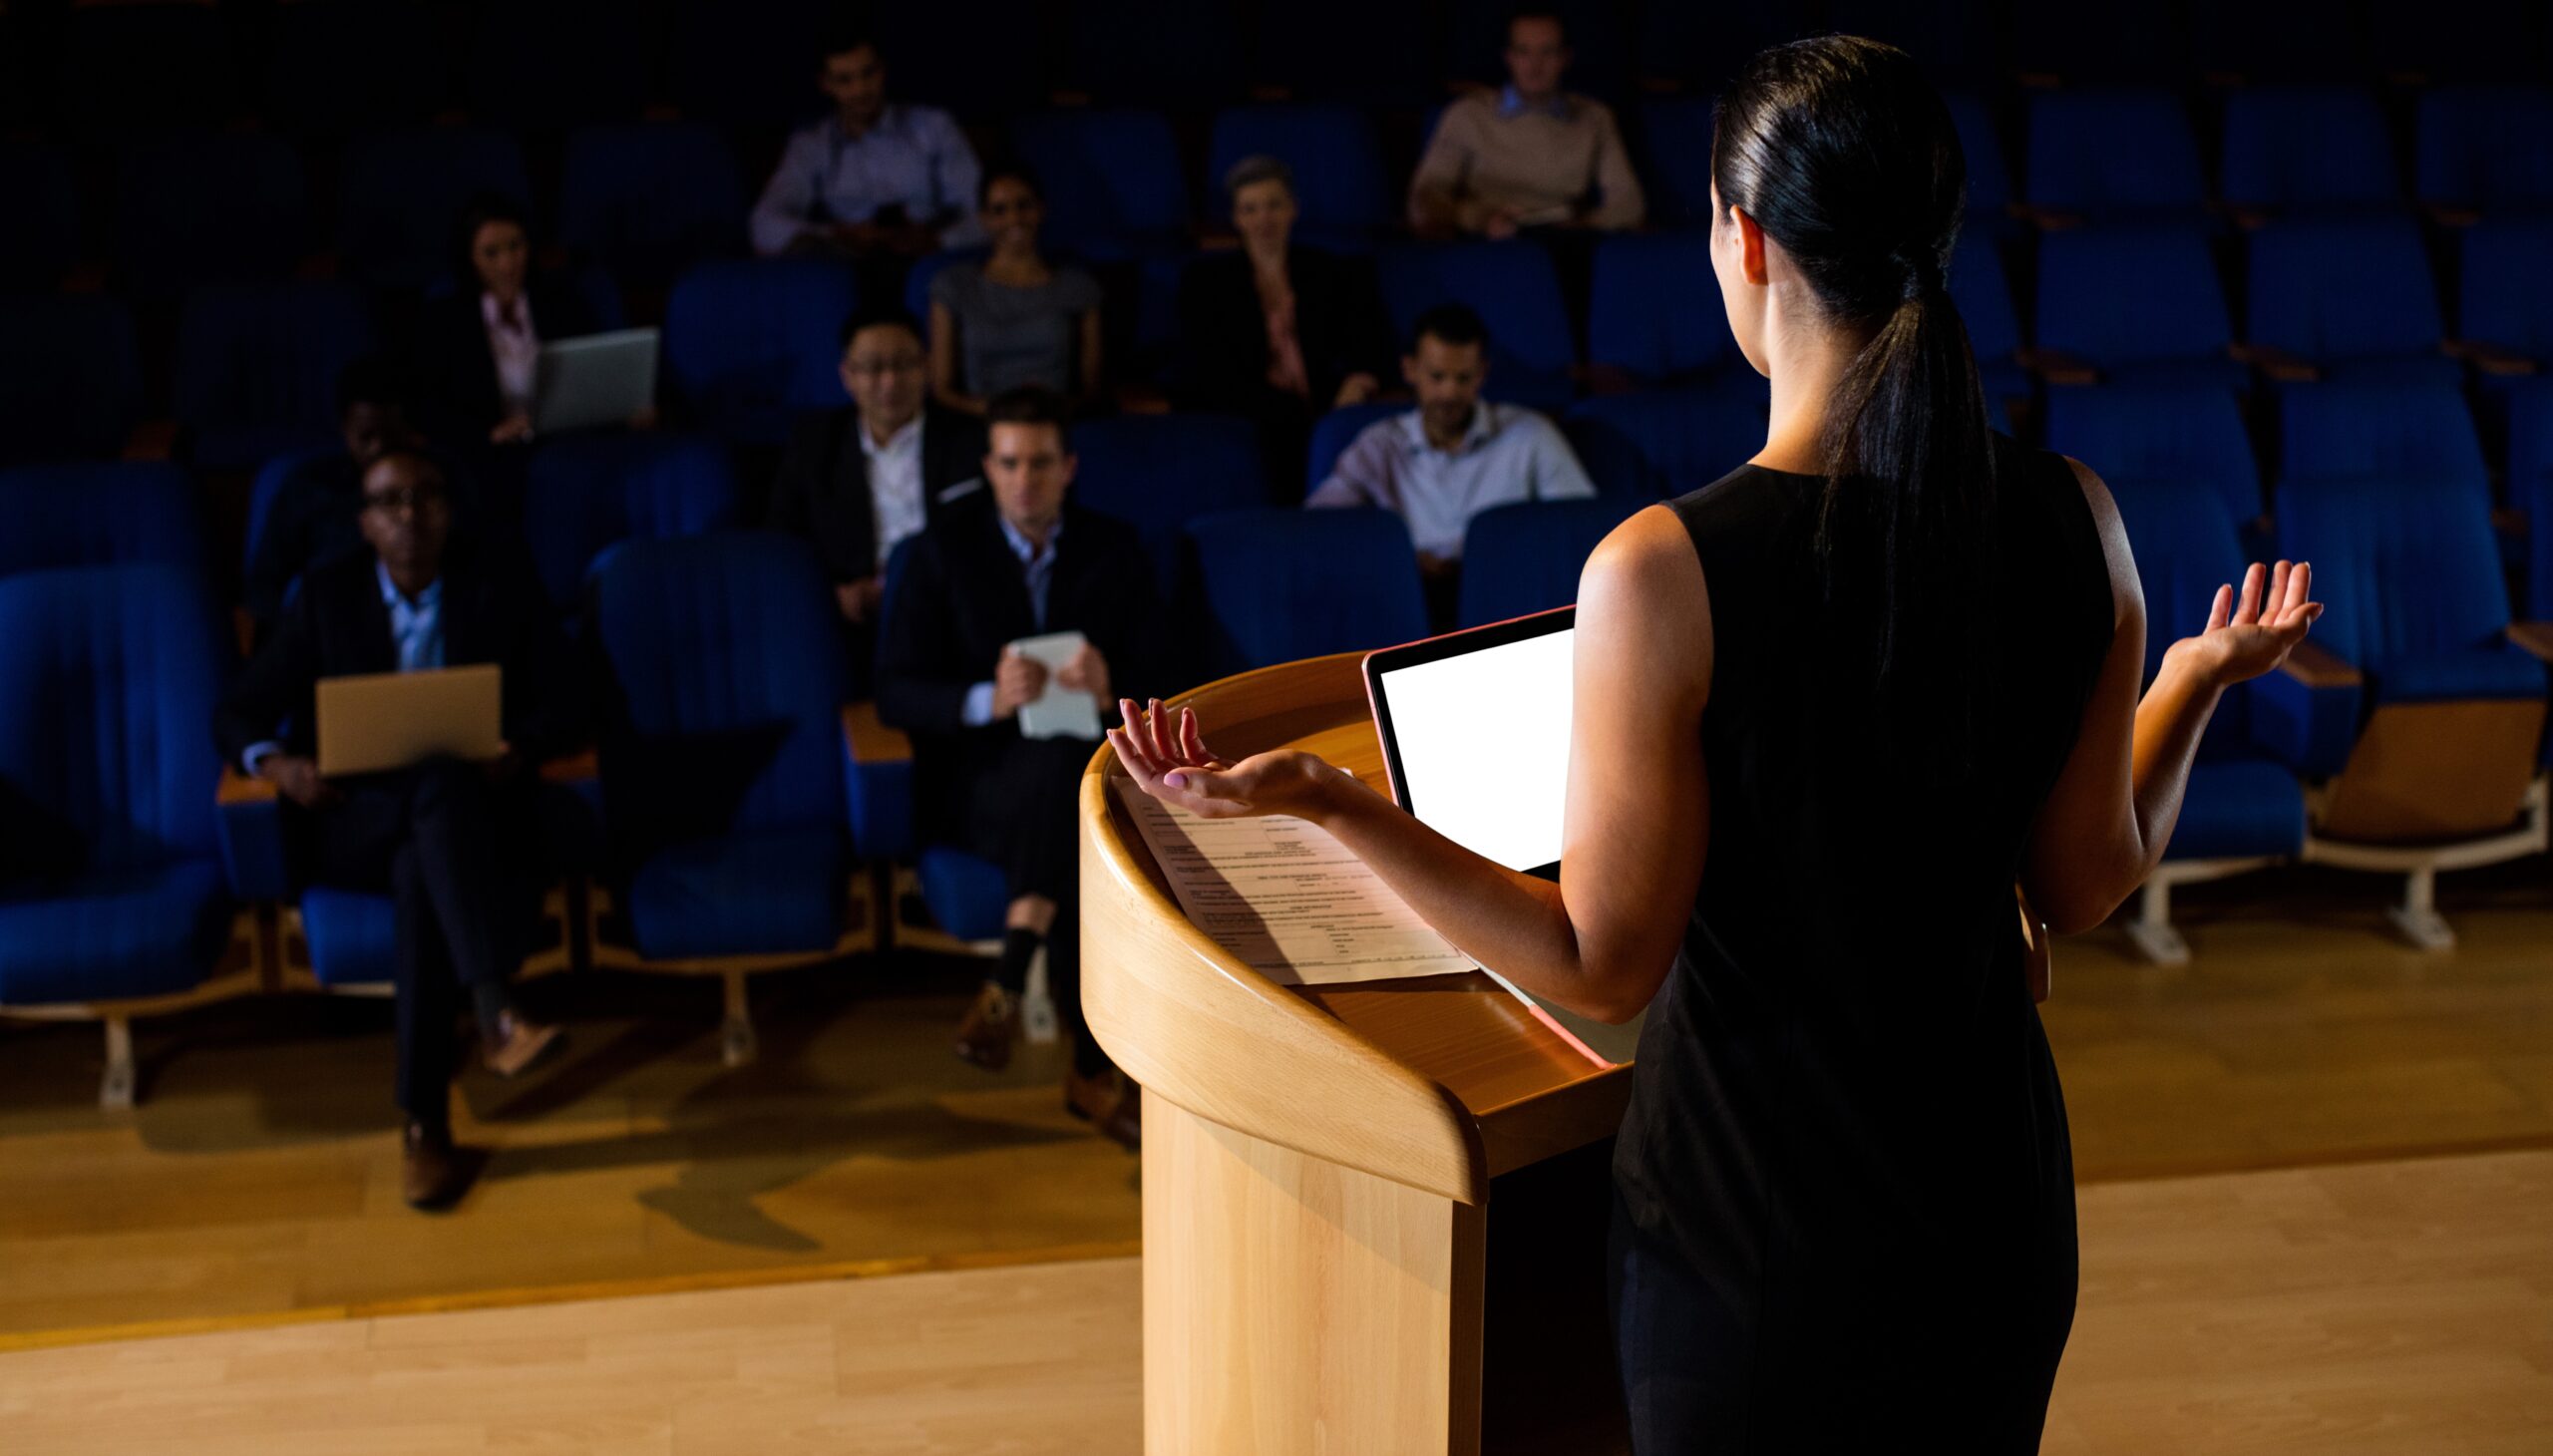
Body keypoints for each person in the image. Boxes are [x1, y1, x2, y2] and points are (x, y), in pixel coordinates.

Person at [1112, 36, 2322, 1452]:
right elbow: (2083, 883)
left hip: (1758, 1239)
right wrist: (2186, 684)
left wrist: (1337, 803)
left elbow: (1600, 963)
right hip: (1992, 1214)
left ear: (1744, 239)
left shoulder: (1663, 571)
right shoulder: (2080, 516)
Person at [216, 451, 585, 1212]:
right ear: (365, 523)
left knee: (425, 858)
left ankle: (425, 1127)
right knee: (430, 809)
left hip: (473, 823)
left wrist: (518, 747)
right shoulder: (326, 596)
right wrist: (281, 767)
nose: (409, 515)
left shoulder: (498, 581)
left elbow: (571, 699)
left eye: (424, 497)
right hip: (355, 824)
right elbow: (237, 711)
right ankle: (494, 1009)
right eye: (389, 502)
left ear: (448, 510)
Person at [877, 386, 1155, 1149]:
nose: (1023, 479)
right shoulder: (937, 551)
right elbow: (894, 690)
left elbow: (1172, 669)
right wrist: (983, 698)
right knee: (1076, 818)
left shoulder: (1115, 547)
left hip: (1078, 782)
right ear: (988, 469)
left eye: (1039, 463)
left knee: (1067, 783)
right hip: (977, 781)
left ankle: (1011, 974)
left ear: (1068, 468)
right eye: (1008, 464)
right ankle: (1092, 1073)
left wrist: (1112, 682)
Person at [1307, 302, 1595, 617]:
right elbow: (1318, 527)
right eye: (1437, 376)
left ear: (1482, 374)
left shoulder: (1530, 435)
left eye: (1463, 378)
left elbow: (1580, 529)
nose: (1449, 393)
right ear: (1410, 369)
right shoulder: (1379, 444)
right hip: (1404, 604)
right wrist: (1398, 559)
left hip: (1511, 602)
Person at [766, 306, 988, 695]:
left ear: (927, 366)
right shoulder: (814, 444)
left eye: (904, 364)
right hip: (854, 618)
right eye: (872, 367)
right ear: (847, 375)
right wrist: (833, 593)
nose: (890, 381)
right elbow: (783, 538)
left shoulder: (971, 440)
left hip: (950, 610)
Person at [1175, 156, 1396, 495]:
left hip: (1329, 408)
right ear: (1236, 218)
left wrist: (1359, 379)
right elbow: (1208, 368)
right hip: (1252, 420)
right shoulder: (1206, 283)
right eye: (1250, 209)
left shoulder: (1330, 271)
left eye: (1273, 205)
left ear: (1293, 208)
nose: (1263, 219)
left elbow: (1371, 339)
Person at [748, 25, 982, 264]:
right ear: (825, 83)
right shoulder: (811, 145)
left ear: (883, 70)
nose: (860, 90)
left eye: (868, 73)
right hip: (847, 265)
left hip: (931, 262)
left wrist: (938, 240)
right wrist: (837, 234)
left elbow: (982, 211)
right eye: (844, 80)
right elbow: (764, 222)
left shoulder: (934, 127)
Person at [1407, 8, 1645, 240]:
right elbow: (1426, 197)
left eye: (1547, 52)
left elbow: (1628, 202)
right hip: (1484, 243)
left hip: (1562, 243)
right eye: (1523, 52)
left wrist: (1584, 226)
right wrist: (1480, 219)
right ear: (1509, 57)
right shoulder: (1467, 114)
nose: (1535, 65)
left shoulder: (1595, 118)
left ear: (1565, 58)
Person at [242, 356, 426, 636]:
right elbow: (265, 589)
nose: (378, 448)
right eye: (366, 436)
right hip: (330, 634)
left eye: (389, 435)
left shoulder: (436, 486)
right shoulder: (310, 489)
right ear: (344, 428)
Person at [412, 192, 602, 448]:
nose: (507, 264)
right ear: (470, 257)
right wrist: (488, 434)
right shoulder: (444, 321)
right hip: (489, 452)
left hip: (565, 441)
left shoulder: (563, 305)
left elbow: (592, 378)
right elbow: (432, 407)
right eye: (491, 253)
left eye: (515, 246)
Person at [928, 166, 1104, 415]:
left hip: (1055, 420)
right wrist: (1004, 414)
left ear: (1041, 209)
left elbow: (1092, 388)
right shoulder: (953, 286)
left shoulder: (1078, 287)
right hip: (980, 421)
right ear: (984, 218)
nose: (1014, 219)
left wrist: (1043, 414)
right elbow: (942, 390)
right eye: (999, 210)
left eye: (1024, 205)